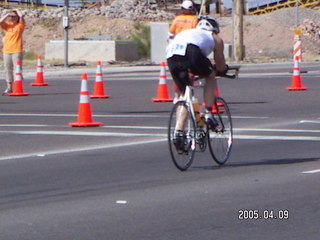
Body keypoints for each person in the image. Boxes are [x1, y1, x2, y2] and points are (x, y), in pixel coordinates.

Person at [166, 16, 228, 152]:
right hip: (191, 51)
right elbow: (220, 64)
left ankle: (179, 132)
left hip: (171, 55)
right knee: (210, 75)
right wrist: (223, 70)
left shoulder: (189, 32)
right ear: (215, 30)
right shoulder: (215, 37)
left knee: (184, 94)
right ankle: (209, 114)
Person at [0, 9, 25, 95]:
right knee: (7, 69)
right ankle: (9, 87)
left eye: (14, 17)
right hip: (7, 50)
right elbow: (0, 21)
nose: (12, 18)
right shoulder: (7, 26)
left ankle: (18, 86)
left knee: (17, 69)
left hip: (17, 50)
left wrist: (16, 11)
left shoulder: (20, 26)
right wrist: (7, 14)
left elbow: (21, 16)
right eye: (11, 17)